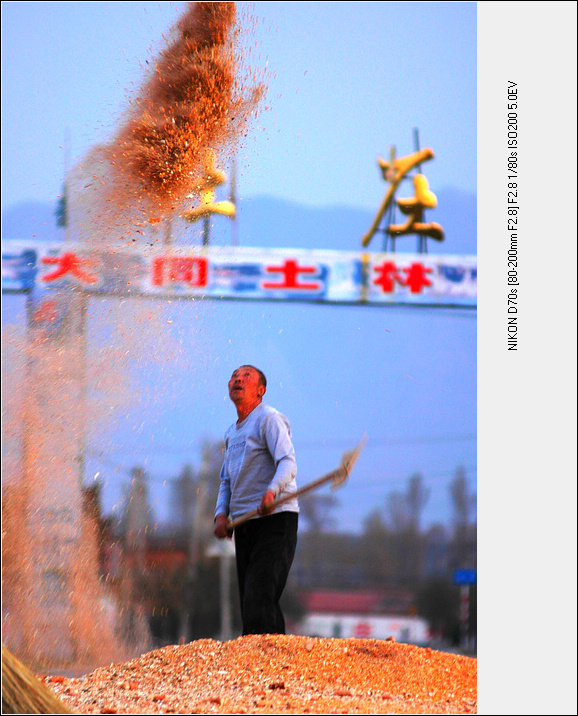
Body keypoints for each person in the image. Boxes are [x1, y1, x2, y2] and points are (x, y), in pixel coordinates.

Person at [214, 365, 299, 635]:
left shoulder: (269, 419)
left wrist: (271, 492)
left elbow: (288, 463)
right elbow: (226, 481)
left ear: (260, 390)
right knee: (252, 603)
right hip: (244, 524)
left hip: (275, 519)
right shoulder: (231, 433)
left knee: (259, 596)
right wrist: (220, 514)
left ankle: (267, 654)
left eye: (246, 376)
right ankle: (265, 655)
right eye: (234, 376)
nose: (238, 379)